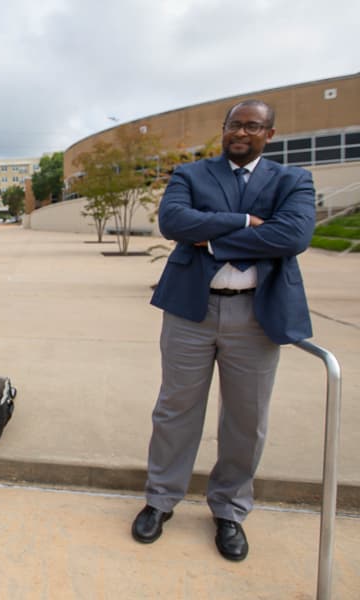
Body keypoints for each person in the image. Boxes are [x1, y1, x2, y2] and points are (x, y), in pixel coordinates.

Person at [132, 99, 315, 562]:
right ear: (223, 129)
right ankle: (160, 499)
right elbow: (174, 222)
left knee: (246, 418)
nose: (242, 132)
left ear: (269, 134)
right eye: (235, 124)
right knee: (175, 409)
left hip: (256, 315)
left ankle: (230, 509)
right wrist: (243, 223)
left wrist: (209, 236)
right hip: (189, 313)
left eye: (253, 126)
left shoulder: (293, 180)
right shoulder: (190, 175)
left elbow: (292, 236)